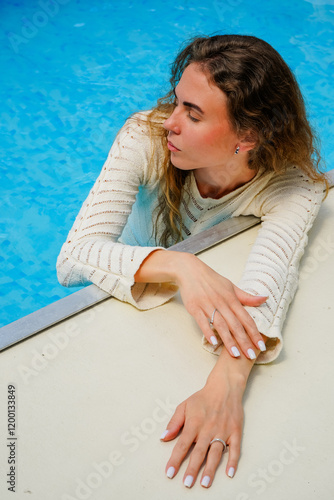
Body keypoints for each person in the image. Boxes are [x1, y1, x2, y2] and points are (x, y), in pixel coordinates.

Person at [57, 34, 327, 488]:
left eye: (193, 114)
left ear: (249, 136)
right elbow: (74, 259)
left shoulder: (294, 186)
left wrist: (227, 383)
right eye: (178, 102)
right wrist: (183, 266)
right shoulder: (144, 136)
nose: (170, 123)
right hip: (120, 281)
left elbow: (270, 283)